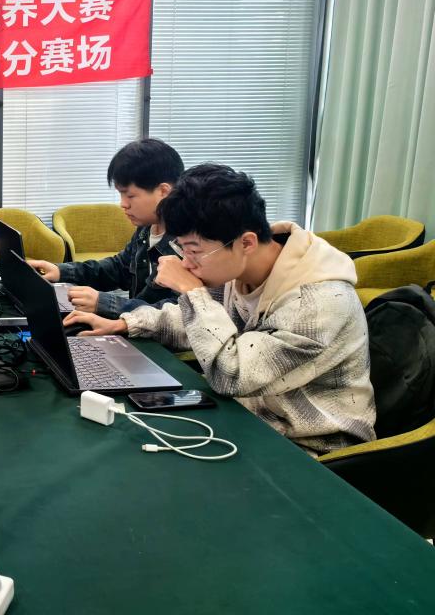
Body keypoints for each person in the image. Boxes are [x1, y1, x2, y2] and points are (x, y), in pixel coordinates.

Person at [63, 163, 376, 454]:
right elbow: (192, 321)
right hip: (250, 416)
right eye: (182, 249)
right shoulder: (237, 268)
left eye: (194, 250)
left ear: (246, 243)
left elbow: (232, 375)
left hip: (311, 446)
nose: (186, 263)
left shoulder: (318, 303)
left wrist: (192, 291)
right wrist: (125, 324)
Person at [27, 138, 184, 318]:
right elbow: (118, 268)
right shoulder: (146, 229)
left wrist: (102, 303)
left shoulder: (188, 243)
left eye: (130, 196)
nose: (123, 204)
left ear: (163, 191)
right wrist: (60, 271)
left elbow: (175, 313)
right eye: (121, 195)